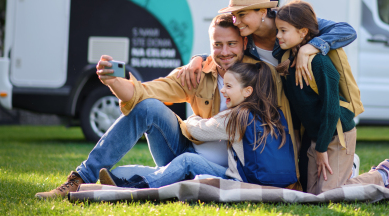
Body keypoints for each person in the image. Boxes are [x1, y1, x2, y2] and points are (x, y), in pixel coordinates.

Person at [35, 14, 299, 199]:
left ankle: (137, 182)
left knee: (132, 174)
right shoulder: (195, 74)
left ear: (243, 43)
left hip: (228, 170)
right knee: (149, 107)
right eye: (217, 45)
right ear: (210, 47)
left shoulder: (258, 75)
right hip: (182, 152)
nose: (225, 51)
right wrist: (114, 81)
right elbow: (143, 92)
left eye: (231, 44)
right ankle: (79, 179)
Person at [274, 0, 389, 194]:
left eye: (283, 30)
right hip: (316, 134)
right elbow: (297, 105)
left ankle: (382, 174)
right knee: (311, 194)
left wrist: (321, 149)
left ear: (303, 32)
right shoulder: (286, 60)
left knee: (329, 194)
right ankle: (344, 172)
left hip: (336, 133)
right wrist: (298, 137)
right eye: (277, 30)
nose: (278, 36)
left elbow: (331, 109)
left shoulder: (320, 63)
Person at [98, 62, 294, 189]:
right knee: (119, 173)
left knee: (187, 160)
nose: (223, 91)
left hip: (240, 181)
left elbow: (197, 131)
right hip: (273, 181)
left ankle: (141, 186)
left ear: (247, 91)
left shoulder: (236, 117)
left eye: (229, 86)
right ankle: (123, 179)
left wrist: (192, 119)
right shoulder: (273, 114)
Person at [178, 0, 357, 89]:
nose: (236, 21)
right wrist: (198, 59)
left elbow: (347, 31)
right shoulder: (245, 38)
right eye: (234, 15)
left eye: (242, 15)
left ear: (263, 12)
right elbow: (225, 51)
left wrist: (310, 48)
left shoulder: (291, 20)